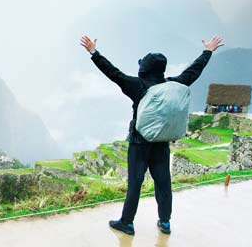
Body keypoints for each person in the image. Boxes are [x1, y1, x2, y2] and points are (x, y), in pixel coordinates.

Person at [79, 35, 224, 235]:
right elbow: (193, 71)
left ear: (143, 69)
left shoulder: (137, 85)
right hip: (162, 142)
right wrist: (207, 51)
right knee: (163, 182)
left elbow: (113, 73)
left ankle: (127, 223)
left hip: (139, 144)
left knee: (135, 183)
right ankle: (165, 222)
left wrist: (94, 52)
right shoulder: (174, 84)